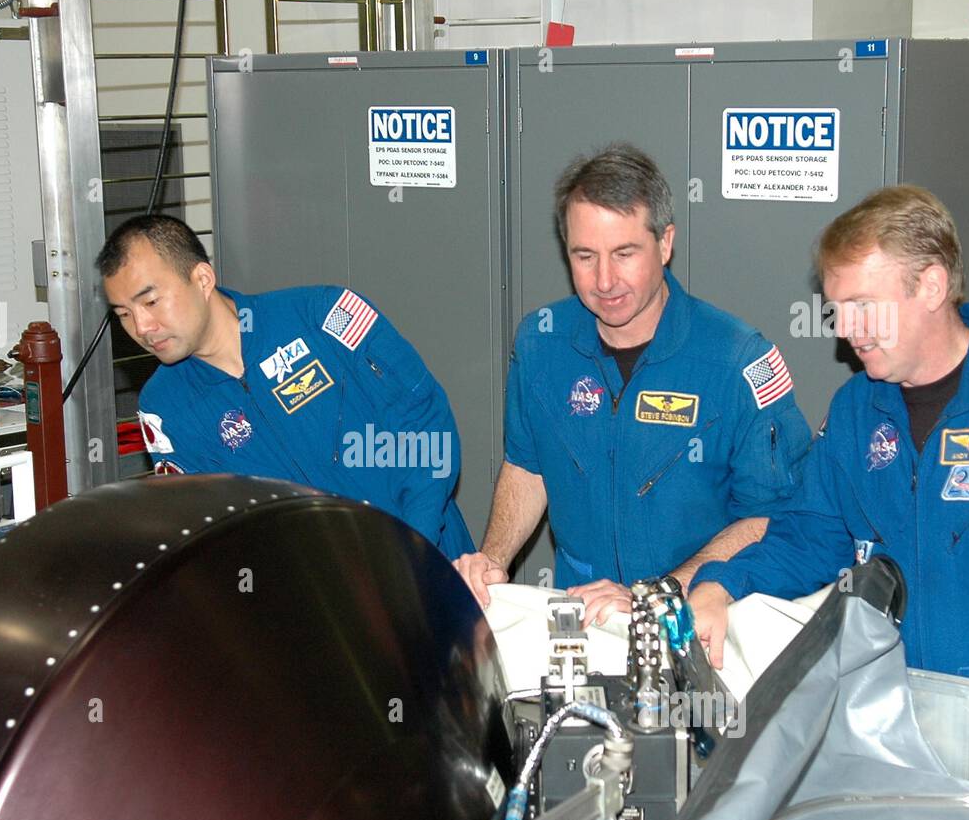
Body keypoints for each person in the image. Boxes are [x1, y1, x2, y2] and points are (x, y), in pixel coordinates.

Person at [690, 185, 969, 688]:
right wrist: (721, 584)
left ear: (931, 287)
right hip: (890, 710)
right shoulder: (856, 411)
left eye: (862, 306)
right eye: (838, 311)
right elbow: (809, 539)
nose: (847, 331)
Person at [454, 144, 810, 625]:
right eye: (585, 256)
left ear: (665, 243)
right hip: (584, 620)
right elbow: (527, 467)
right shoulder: (542, 344)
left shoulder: (737, 360)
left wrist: (661, 592)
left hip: (698, 621)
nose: (604, 280)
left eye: (624, 254)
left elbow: (772, 518)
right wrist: (492, 559)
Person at [96, 214, 475, 560]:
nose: (142, 328)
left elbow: (424, 424)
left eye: (151, 301)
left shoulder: (326, 314)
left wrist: (414, 549)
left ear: (202, 279)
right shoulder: (165, 409)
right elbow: (211, 530)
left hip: (433, 559)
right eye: (124, 314)